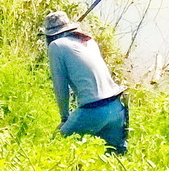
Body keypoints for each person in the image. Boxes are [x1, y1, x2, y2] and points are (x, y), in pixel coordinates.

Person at [42, 11, 128, 154]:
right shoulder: (88, 41)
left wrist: (65, 118)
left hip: (94, 109)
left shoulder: (56, 46)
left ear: (51, 35)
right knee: (114, 155)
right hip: (117, 106)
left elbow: (60, 87)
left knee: (55, 148)